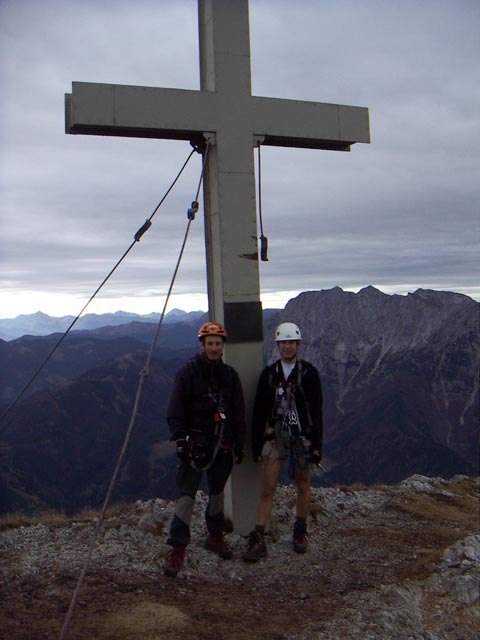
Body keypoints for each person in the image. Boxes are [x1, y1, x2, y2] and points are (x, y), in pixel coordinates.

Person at [163, 321, 246, 578]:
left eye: (217, 343)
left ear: (222, 346)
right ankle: (178, 547)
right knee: (187, 495)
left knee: (217, 492)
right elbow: (175, 408)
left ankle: (215, 535)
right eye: (209, 343)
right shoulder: (188, 373)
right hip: (194, 443)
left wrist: (238, 444)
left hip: (222, 444)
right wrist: (180, 439)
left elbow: (238, 412)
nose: (213, 348)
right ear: (202, 345)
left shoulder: (230, 376)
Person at [243, 322, 323, 562]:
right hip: (274, 435)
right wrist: (256, 444)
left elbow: (316, 410)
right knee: (268, 487)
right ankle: (258, 537)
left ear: (297, 345)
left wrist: (317, 444)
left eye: (291, 343)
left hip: (301, 437)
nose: (287, 347)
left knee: (302, 484)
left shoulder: (309, 374)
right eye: (283, 343)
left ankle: (300, 531)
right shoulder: (269, 376)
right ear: (278, 345)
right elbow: (259, 411)